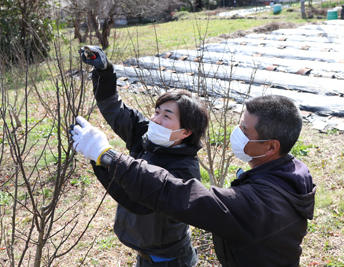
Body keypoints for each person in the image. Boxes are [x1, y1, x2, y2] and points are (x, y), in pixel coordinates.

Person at [71, 94, 316, 267]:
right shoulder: (290, 171)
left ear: (271, 146)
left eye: (244, 130)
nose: (236, 132)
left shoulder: (258, 203)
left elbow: (177, 193)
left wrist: (109, 157)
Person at [77, 46, 209, 266]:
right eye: (157, 111)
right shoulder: (146, 137)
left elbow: (141, 201)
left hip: (171, 260)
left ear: (186, 132)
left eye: (166, 116)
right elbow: (113, 107)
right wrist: (104, 71)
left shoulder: (184, 173)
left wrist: (103, 157)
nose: (156, 120)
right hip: (145, 255)